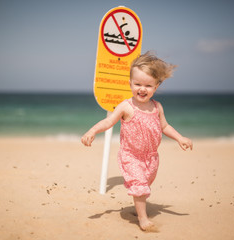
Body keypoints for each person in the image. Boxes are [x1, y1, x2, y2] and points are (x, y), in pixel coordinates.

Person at [81, 51, 193, 232]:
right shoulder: (126, 106)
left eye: (148, 85)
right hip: (131, 155)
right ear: (130, 83)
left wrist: (180, 137)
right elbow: (109, 122)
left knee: (145, 184)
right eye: (137, 84)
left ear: (156, 86)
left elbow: (165, 127)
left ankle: (138, 206)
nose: (142, 89)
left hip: (151, 157)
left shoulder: (157, 107)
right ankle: (143, 219)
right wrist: (93, 130)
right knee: (140, 186)